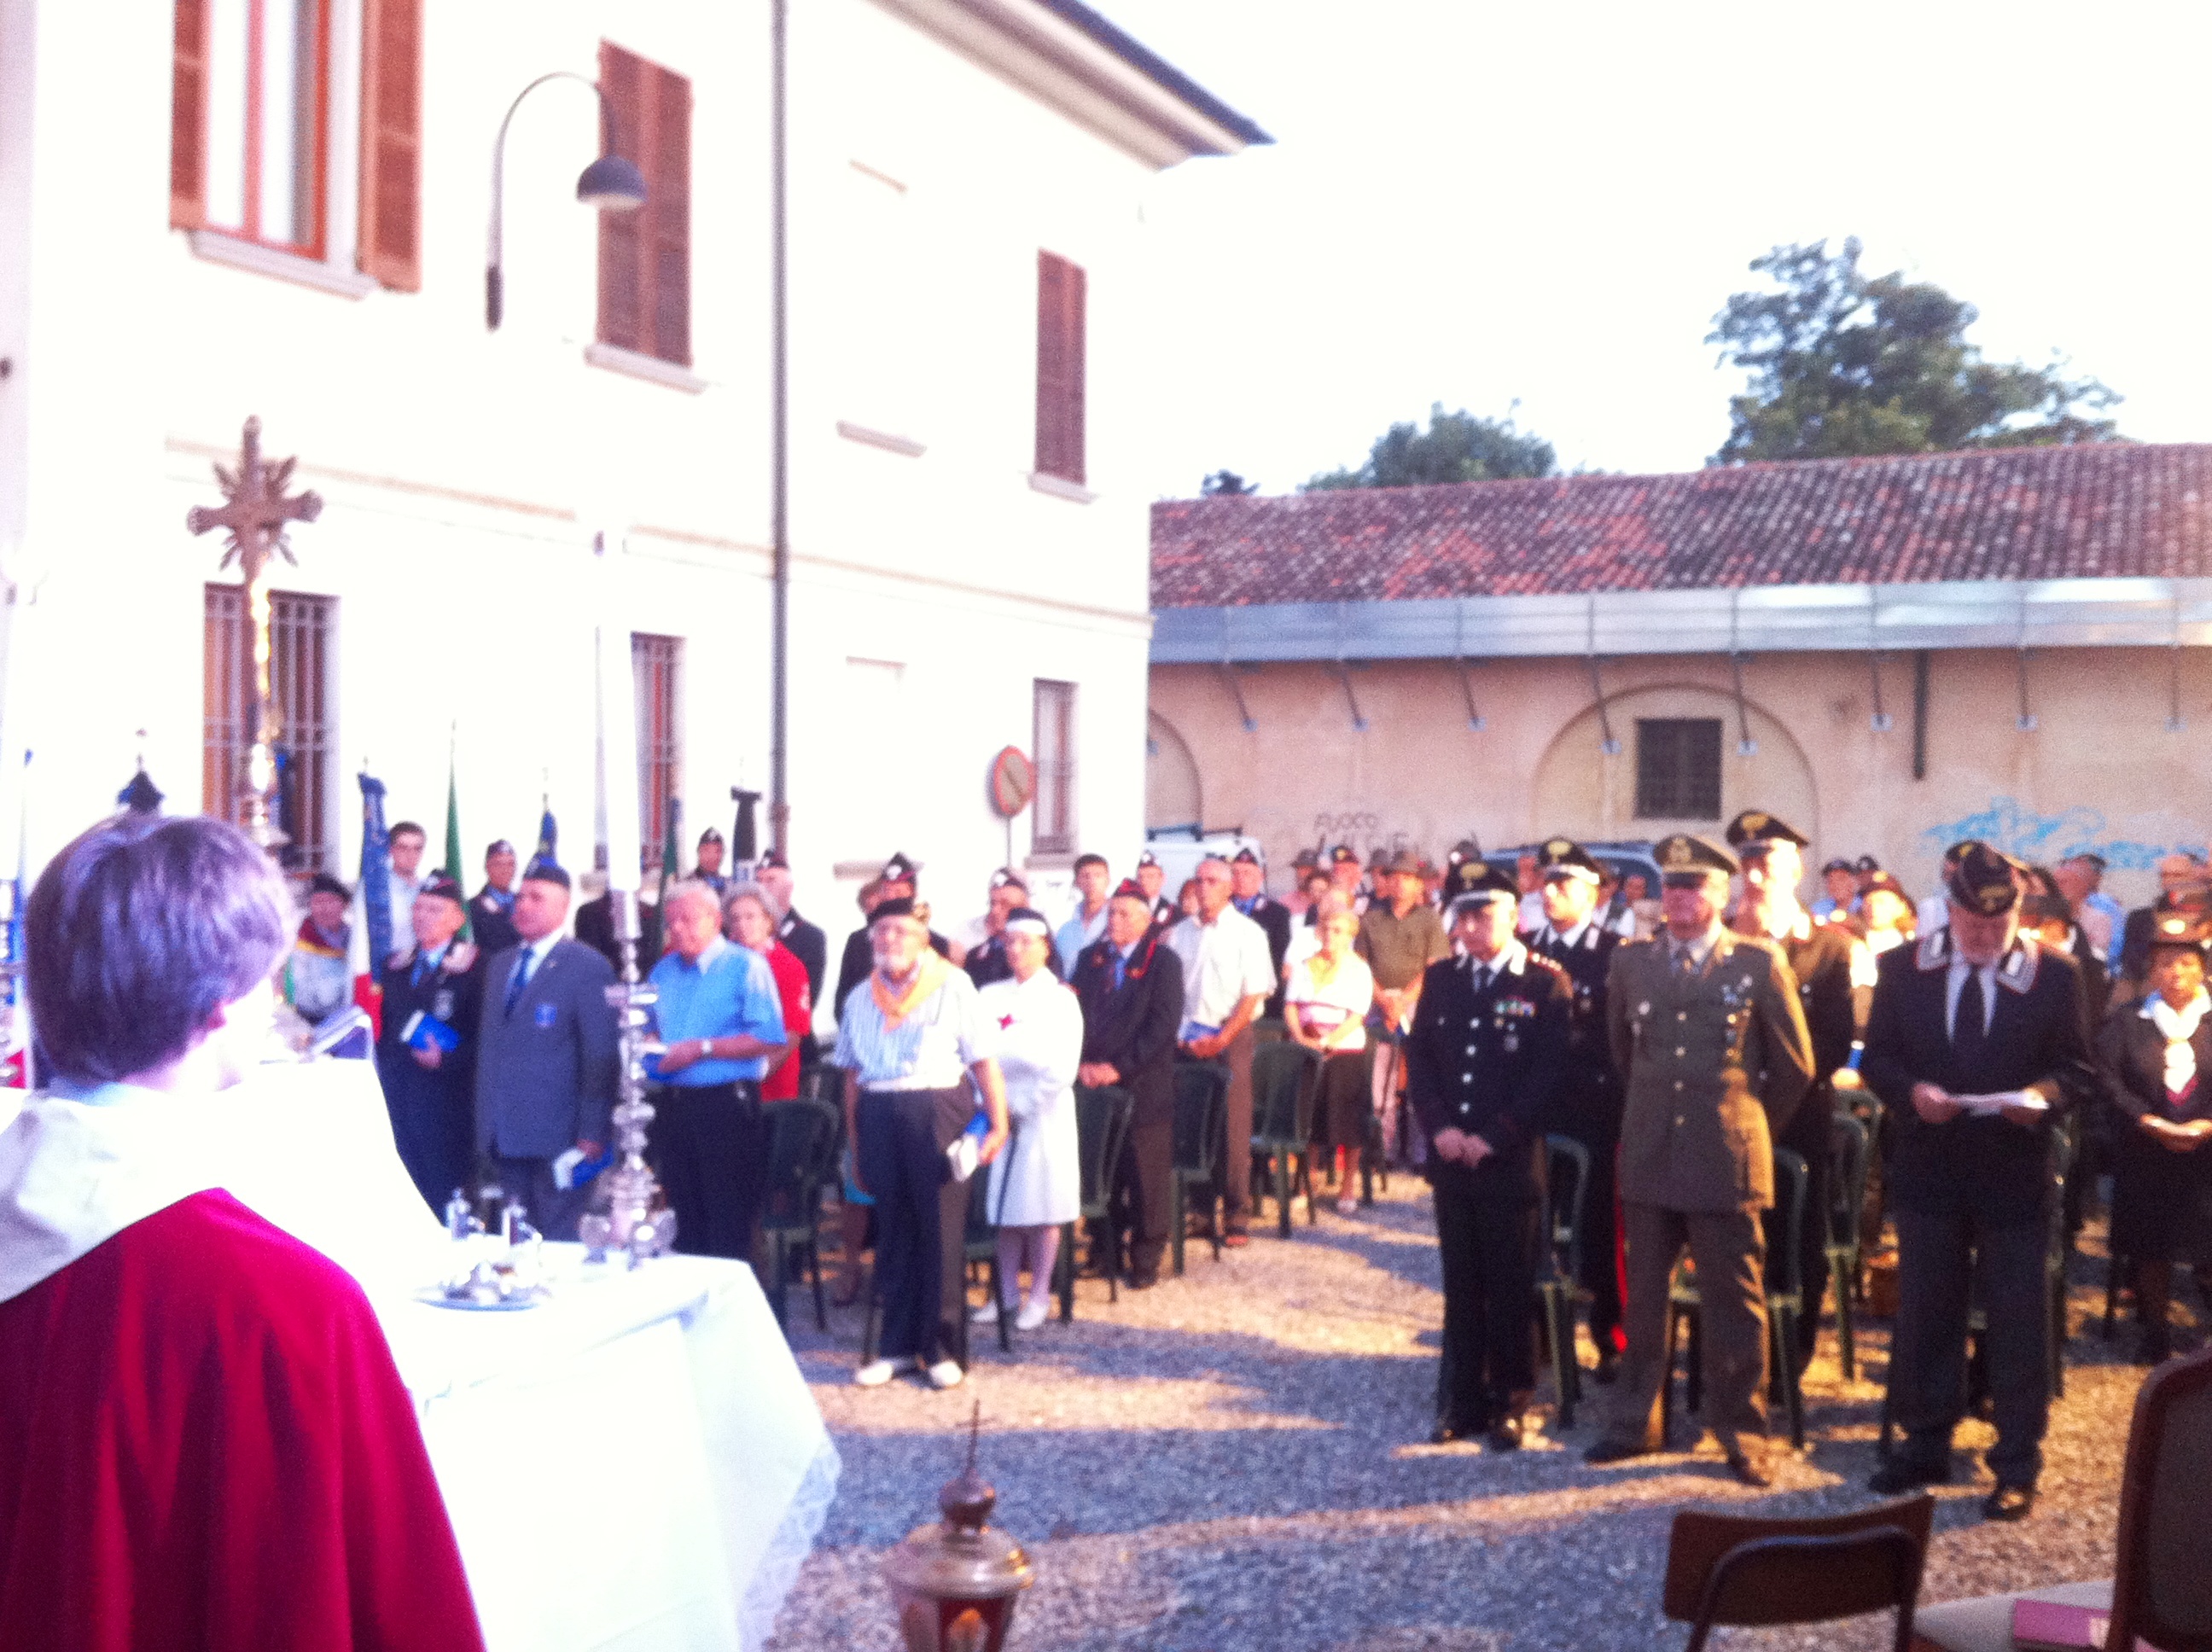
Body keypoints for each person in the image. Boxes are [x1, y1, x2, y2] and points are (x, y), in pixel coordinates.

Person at [0, 813, 485, 1650]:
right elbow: (399, 1612)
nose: (276, 1001)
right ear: (220, 1002)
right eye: (267, 977)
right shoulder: (285, 1305)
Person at [1862, 841, 2093, 1521]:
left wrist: (2041, 1096)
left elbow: (2079, 1070)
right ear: (1950, 911)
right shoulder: (1904, 967)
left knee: (2018, 1320)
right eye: (1974, 925)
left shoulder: (2055, 974)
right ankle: (1925, 1442)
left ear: (2018, 913)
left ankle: (2017, 1461)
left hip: (2013, 1172)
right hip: (1931, 1167)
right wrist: (1913, 1093)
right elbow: (1878, 1059)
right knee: (1927, 1311)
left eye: (2000, 924)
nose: (1987, 938)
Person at [1586, 833, 1813, 1489]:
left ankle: (1743, 1433)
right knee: (1644, 1299)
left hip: (1725, 1156)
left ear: (1722, 892)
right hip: (1652, 1150)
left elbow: (1795, 1068)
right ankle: (1635, 1423)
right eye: (1673, 886)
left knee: (1734, 1301)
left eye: (1695, 886)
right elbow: (1623, 1052)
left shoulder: (1758, 963)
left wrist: (1749, 1127)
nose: (1680, 897)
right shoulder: (1633, 962)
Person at [1405, 868, 1570, 1449]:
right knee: (1461, 1284)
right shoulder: (1442, 978)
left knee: (1509, 1286)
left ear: (1514, 918)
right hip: (1453, 1159)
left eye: (1484, 916)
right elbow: (1421, 1059)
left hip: (1509, 1162)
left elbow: (1547, 1075)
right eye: (1464, 917)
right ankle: (1463, 1399)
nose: (1471, 927)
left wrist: (1496, 1136)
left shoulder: (1544, 984)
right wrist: (1440, 1127)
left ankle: (1512, 1400)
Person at [838, 896, 1010, 1389]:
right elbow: (850, 1075)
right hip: (879, 1109)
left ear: (922, 939)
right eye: (882, 931)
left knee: (938, 1230)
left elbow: (983, 1060)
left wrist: (997, 1123)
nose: (890, 939)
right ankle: (896, 1347)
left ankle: (940, 1348)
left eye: (901, 931)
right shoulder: (860, 996)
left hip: (937, 1109)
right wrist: (856, 1141)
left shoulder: (953, 985)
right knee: (893, 1231)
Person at [1726, 810, 1865, 1366]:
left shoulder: (1828, 948)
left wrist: (1773, 1096)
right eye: (1748, 864)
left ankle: (1789, 1359)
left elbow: (1833, 1043)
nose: (1757, 875)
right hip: (1727, 1117)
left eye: (1768, 863)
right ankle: (1731, 1359)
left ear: (1795, 870)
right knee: (1727, 1241)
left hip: (1797, 1119)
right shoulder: (1722, 941)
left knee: (1795, 1239)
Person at [1527, 837, 1628, 1382]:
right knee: (1535, 1224)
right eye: (1548, 883)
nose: (1551, 893)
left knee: (1601, 1229)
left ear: (1592, 893)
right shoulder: (1524, 950)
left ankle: (1612, 1337)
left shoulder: (1616, 953)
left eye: (1564, 884)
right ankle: (1539, 1336)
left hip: (1595, 1108)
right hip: (1537, 1110)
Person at [646, 881, 789, 1265]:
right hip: (675, 1104)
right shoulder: (663, 971)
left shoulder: (745, 966)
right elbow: (648, 1027)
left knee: (727, 1219)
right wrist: (650, 1045)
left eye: (687, 919)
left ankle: (731, 1298)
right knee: (685, 1218)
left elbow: (769, 1036)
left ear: (714, 919)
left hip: (726, 1105)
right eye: (671, 922)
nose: (677, 929)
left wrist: (703, 1048)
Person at [475, 859, 618, 1240]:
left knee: (558, 1244)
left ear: (564, 906)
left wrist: (593, 1129)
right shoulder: (501, 965)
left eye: (536, 898)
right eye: (520, 897)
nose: (523, 905)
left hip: (560, 1135)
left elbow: (599, 1054)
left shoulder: (588, 966)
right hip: (505, 1133)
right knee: (514, 1240)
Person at [2099, 902, 2212, 1364]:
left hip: (2208, 1153)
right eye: (2165, 963)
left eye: (2185, 962)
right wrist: (2146, 1120)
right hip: (2146, 1148)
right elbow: (2108, 1080)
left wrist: (2208, 1125)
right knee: (2152, 1238)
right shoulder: (2128, 1020)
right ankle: (2155, 1329)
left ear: (2203, 969)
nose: (2175, 973)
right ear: (2151, 969)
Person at [975, 908, 1084, 1330]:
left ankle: (1039, 1293)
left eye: (1026, 942)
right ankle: (1004, 1293)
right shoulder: (989, 996)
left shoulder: (1061, 999)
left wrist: (1021, 1105)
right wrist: (992, 1104)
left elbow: (1062, 1067)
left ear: (1045, 948)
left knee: (1041, 1205)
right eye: (1010, 942)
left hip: (1043, 1114)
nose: (1016, 950)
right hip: (996, 1110)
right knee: (1004, 1207)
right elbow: (975, 1055)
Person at [1073, 880, 1185, 1288]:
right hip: (1094, 1083)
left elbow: (1162, 1026)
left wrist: (1118, 1068)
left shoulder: (1163, 962)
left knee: (1144, 1178)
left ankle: (1145, 1257)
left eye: (1123, 914)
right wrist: (1082, 1064)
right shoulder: (1091, 959)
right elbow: (1074, 1013)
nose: (1114, 920)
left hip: (1142, 1086)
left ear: (1145, 920)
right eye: (1111, 912)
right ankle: (1104, 1249)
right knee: (1102, 1171)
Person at [1167, 856, 1276, 1248]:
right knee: (1191, 1122)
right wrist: (1180, 1037)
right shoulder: (1179, 934)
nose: (1203, 887)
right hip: (1187, 1038)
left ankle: (1235, 1215)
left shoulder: (1249, 933)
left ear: (1230, 888)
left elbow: (1253, 995)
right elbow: (1173, 993)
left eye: (1212, 880)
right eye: (1198, 880)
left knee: (1233, 1126)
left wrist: (1223, 1038)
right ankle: (1199, 1210)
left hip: (1231, 1035)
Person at [375, 871, 484, 1214]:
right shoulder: (396, 965)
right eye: (419, 908)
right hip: (400, 1099)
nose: (423, 917)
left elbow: (485, 1040)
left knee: (443, 1199)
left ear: (458, 919)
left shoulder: (476, 967)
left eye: (435, 910)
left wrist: (447, 1061)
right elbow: (388, 1032)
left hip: (447, 1105)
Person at [1358, 849, 1452, 1164]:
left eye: (1407, 878)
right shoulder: (1371, 918)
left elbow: (1434, 966)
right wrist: (1384, 1000)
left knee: (1421, 1081)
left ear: (1418, 884)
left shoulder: (1429, 919)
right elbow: (1360, 965)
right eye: (1394, 877)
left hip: (1418, 1005)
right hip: (1378, 1004)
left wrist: (1403, 1000)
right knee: (1378, 1081)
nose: (1399, 883)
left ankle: (1420, 1154)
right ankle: (1382, 1151)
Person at [1286, 896, 1376, 1216]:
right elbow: (1291, 1006)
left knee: (1348, 1122)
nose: (1330, 935)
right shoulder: (1304, 966)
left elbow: (1357, 1014)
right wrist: (1301, 1038)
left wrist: (1328, 1041)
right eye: (1326, 929)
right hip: (1307, 1049)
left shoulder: (1359, 968)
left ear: (1350, 934)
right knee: (1309, 1119)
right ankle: (1306, 1183)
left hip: (1344, 1050)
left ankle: (1348, 1185)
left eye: (1338, 930)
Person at [833, 852, 950, 1015]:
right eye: (887, 892)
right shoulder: (858, 941)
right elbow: (843, 1002)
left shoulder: (932, 941)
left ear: (914, 895)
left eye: (899, 893)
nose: (892, 899)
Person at [728, 885, 812, 1102]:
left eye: (750, 917)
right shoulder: (722, 963)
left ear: (768, 920)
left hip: (771, 1091)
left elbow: (792, 1033)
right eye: (735, 918)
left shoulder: (789, 966)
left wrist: (756, 1076)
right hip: (724, 1085)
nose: (742, 925)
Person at [757, 850, 827, 1017]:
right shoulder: (739, 934)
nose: (762, 887)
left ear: (789, 887)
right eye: (758, 880)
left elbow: (807, 998)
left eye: (771, 880)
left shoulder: (810, 937)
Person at [1230, 847, 1293, 1020]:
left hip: (1261, 996)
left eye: (1247, 873)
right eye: (1235, 873)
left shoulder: (1277, 913)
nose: (1240, 879)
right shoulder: (1222, 909)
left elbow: (1279, 957)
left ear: (1261, 877)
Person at [287, 870, 356, 1025]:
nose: (325, 909)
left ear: (345, 904)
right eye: (318, 902)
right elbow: (306, 996)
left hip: (350, 1018)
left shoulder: (355, 938)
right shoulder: (300, 941)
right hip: (310, 1021)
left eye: (331, 901)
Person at [963, 868, 1031, 989]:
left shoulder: (1037, 951)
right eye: (993, 903)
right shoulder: (974, 954)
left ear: (1024, 908)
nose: (995, 911)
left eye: (1005, 904)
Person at [2056, 851, 2125, 961]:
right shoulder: (2056, 905)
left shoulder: (2108, 906)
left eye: (2084, 869)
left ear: (2098, 876)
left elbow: (2112, 950)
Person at [1056, 852, 1113, 976]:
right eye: (1085, 876)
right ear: (1077, 882)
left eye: (1098, 875)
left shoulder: (1116, 921)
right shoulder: (1065, 929)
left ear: (1108, 880)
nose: (1092, 881)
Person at [469, 838, 521, 956]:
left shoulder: (524, 903)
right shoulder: (472, 908)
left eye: (510, 864)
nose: (505, 870)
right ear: (487, 867)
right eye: (498, 864)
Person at [1283, 864, 1337, 975]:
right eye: (1312, 889)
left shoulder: (1339, 918)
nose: (1316, 894)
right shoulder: (1308, 915)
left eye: (1321, 891)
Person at [1136, 849, 1177, 927]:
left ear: (1162, 879)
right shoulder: (1127, 909)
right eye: (1140, 877)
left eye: (1150, 876)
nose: (1144, 881)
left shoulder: (1173, 913)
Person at [1813, 858, 1860, 923]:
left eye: (1840, 879)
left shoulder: (1863, 907)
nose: (1835, 885)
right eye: (1830, 881)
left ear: (1853, 882)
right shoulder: (1820, 908)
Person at [694, 826, 729, 895]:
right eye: (707, 850)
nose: (713, 856)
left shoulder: (728, 884)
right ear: (699, 852)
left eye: (718, 851)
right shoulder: (687, 885)